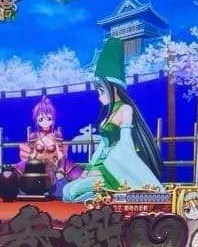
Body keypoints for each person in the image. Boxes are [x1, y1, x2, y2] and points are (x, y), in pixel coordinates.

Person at [63, 38, 165, 203]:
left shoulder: (126, 109)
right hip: (101, 165)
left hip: (114, 168)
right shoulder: (109, 113)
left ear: (114, 89)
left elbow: (126, 145)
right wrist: (90, 167)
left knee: (73, 191)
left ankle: (106, 194)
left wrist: (105, 167)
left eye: (102, 91)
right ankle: (99, 195)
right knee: (67, 191)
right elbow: (103, 145)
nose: (99, 97)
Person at [16, 95, 82, 195]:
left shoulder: (56, 135)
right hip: (37, 168)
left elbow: (60, 154)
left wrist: (60, 169)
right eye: (41, 119)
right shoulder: (34, 136)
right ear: (36, 120)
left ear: (53, 119)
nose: (45, 122)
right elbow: (32, 154)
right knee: (14, 173)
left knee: (76, 175)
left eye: (49, 118)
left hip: (54, 166)